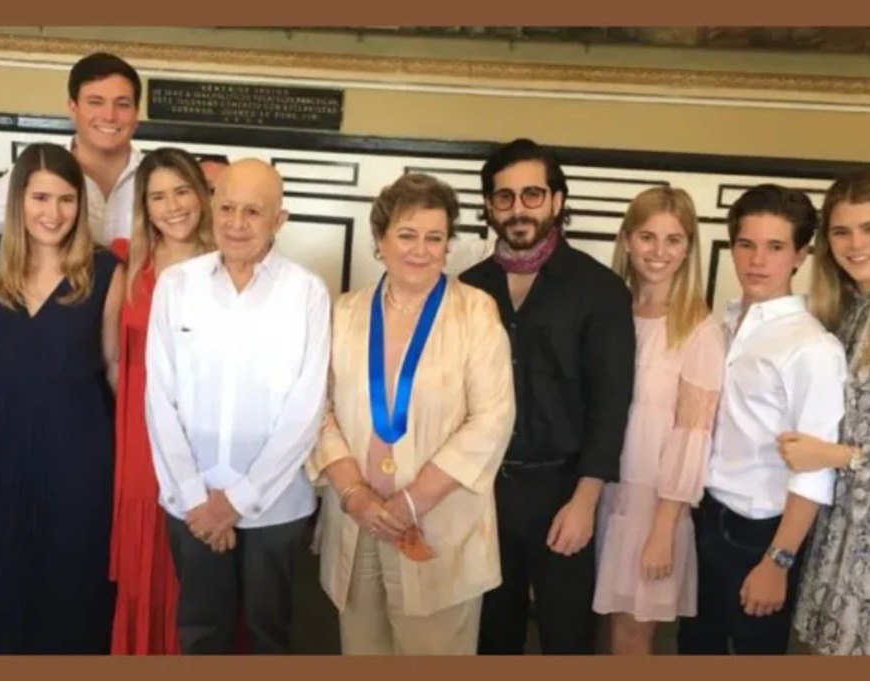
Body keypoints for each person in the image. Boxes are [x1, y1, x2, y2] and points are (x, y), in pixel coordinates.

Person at [308, 172, 515, 655]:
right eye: (406, 234)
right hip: (357, 520)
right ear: (380, 239)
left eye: (434, 237)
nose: (420, 250)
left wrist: (410, 503)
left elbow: (492, 420)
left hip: (438, 523)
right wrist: (354, 494)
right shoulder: (345, 312)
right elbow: (317, 409)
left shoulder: (476, 312)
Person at [0, 143, 125, 654]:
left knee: (72, 567)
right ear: (19, 199)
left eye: (66, 199)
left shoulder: (106, 269)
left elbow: (112, 365)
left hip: (79, 441)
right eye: (40, 198)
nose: (53, 213)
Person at [459, 138, 635, 655]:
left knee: (566, 638)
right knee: (491, 637)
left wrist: (585, 500)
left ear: (557, 200)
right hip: (483, 490)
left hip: (564, 490)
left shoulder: (600, 290)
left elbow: (610, 405)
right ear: (489, 206)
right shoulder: (466, 290)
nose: (518, 209)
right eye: (504, 197)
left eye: (532, 195)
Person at [146, 158, 329, 654]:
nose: (236, 223)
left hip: (275, 506)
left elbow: (306, 410)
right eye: (227, 207)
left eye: (253, 211)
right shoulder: (176, 285)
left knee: (270, 636)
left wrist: (235, 501)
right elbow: (159, 397)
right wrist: (196, 497)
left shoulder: (307, 293)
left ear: (279, 220)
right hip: (191, 502)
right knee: (201, 634)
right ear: (212, 207)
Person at [676, 184, 846, 656]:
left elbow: (815, 471)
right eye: (746, 244)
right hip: (706, 515)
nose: (757, 260)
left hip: (760, 533)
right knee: (695, 648)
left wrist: (778, 561)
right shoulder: (727, 321)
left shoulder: (812, 348)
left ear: (800, 255)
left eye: (775, 247)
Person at [593, 187, 725, 654]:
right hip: (602, 493)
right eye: (647, 237)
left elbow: (693, 436)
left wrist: (665, 528)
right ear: (627, 240)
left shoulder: (699, 331)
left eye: (673, 240)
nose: (659, 251)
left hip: (652, 506)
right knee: (603, 628)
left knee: (633, 633)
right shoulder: (609, 314)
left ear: (688, 248)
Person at [108, 147, 215, 655]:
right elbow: (112, 358)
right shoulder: (127, 261)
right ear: (144, 207)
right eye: (158, 197)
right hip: (139, 432)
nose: (172, 206)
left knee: (199, 561)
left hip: (206, 435)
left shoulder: (228, 264)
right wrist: (140, 413)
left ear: (201, 195)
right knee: (145, 558)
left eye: (182, 191)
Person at [788, 168, 870, 655]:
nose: (855, 244)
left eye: (868, 228)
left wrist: (837, 456)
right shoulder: (846, 310)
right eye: (842, 231)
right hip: (839, 527)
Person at [0, 52, 143, 247]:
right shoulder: (39, 171)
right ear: (73, 108)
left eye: (123, 105)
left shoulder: (155, 177)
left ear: (136, 112)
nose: (109, 116)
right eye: (95, 102)